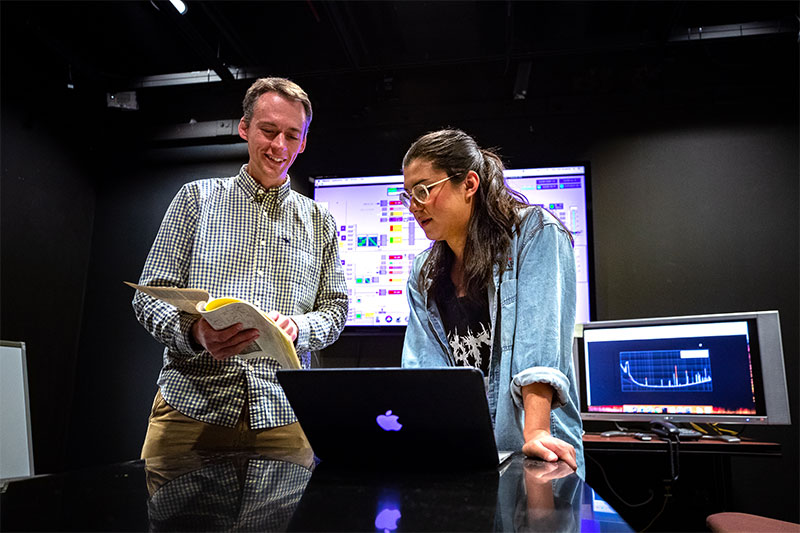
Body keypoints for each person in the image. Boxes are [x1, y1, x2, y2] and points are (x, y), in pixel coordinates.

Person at [133, 77, 348, 459]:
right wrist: (197, 332)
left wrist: (299, 328)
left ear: (303, 142)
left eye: (292, 135)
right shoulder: (195, 199)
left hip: (283, 414)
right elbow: (149, 298)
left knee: (287, 520)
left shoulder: (320, 221)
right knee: (170, 518)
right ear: (245, 128)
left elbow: (336, 309)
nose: (279, 146)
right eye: (268, 131)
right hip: (189, 409)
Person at [400, 129, 584, 478]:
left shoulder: (535, 233)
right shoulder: (422, 272)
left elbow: (539, 350)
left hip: (535, 449)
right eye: (408, 194)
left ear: (469, 184)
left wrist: (537, 431)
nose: (413, 205)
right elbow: (425, 370)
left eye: (423, 190)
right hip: (466, 451)